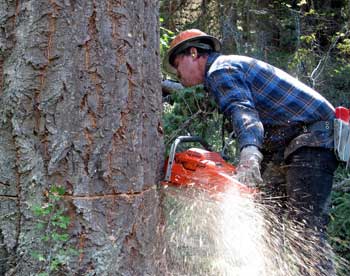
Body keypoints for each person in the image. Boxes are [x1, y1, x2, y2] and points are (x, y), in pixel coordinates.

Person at [163, 29, 339, 275]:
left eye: (177, 64)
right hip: (289, 143)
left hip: (312, 139)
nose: (178, 73)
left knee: (306, 227)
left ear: (193, 53)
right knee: (267, 217)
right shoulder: (225, 72)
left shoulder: (220, 70)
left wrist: (249, 157)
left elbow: (243, 112)